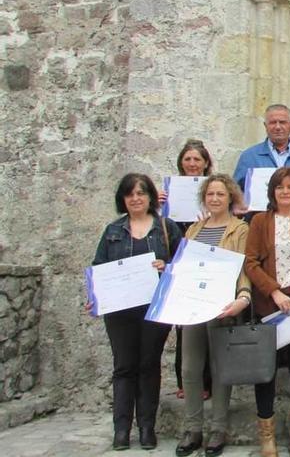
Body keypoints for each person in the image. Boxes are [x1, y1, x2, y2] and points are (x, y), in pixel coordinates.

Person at [90, 173, 183, 451]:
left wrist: (166, 266)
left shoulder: (166, 228)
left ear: (151, 197)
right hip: (119, 311)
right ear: (123, 199)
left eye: (141, 193)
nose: (136, 199)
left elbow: (182, 265)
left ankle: (146, 427)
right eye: (130, 194)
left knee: (148, 365)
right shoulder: (113, 231)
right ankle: (121, 429)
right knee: (123, 367)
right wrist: (94, 297)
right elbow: (98, 268)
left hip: (154, 308)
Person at [175, 174, 252, 457]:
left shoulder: (240, 230)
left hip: (223, 307)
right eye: (210, 194)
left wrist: (243, 297)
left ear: (230, 197)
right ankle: (192, 428)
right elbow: (182, 268)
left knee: (221, 369)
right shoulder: (193, 230)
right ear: (204, 198)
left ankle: (218, 428)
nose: (215, 199)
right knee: (190, 369)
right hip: (192, 307)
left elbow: (245, 267)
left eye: (221, 194)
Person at [243, 167, 290, 457]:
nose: (285, 191)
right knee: (267, 371)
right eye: (280, 187)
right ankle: (267, 436)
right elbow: (250, 262)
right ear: (272, 191)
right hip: (269, 304)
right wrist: (273, 290)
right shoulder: (260, 221)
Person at [164, 139, 215, 402]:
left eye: (197, 159)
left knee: (207, 324)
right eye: (188, 159)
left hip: (207, 260)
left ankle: (207, 381)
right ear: (181, 163)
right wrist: (158, 201)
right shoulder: (170, 193)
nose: (193, 164)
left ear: (206, 163)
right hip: (180, 259)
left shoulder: (214, 190)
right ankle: (185, 381)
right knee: (183, 325)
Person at [232, 104, 290, 198]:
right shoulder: (249, 157)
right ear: (265, 125)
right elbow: (235, 191)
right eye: (273, 122)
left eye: (282, 122)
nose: (277, 127)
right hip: (258, 212)